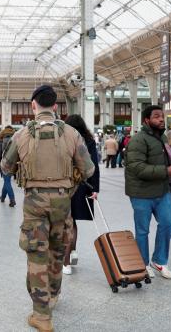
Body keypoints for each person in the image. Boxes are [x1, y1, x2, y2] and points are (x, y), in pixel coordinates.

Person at [1, 85, 94, 332]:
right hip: (63, 202)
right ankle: (52, 295)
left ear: (33, 106)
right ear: (55, 107)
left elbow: (6, 167)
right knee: (57, 250)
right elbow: (89, 169)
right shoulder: (72, 134)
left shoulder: (21, 135)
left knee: (36, 255)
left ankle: (41, 316)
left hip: (34, 204)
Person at [124, 105, 171, 280]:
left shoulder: (162, 137)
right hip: (141, 193)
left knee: (168, 224)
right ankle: (143, 263)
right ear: (146, 120)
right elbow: (137, 167)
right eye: (156, 116)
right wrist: (166, 171)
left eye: (162, 116)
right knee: (142, 231)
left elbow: (166, 159)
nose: (161, 119)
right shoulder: (138, 140)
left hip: (162, 191)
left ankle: (159, 260)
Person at [62, 114, 100, 275]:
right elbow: (94, 166)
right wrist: (95, 188)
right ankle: (73, 251)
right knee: (73, 220)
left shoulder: (64, 139)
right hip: (83, 185)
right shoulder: (89, 141)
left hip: (65, 184)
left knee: (67, 222)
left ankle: (66, 262)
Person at [0, 126, 16, 207]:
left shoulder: (2, 139)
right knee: (6, 180)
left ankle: (12, 199)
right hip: (15, 162)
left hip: (6, 162)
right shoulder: (16, 138)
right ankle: (2, 197)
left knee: (7, 181)